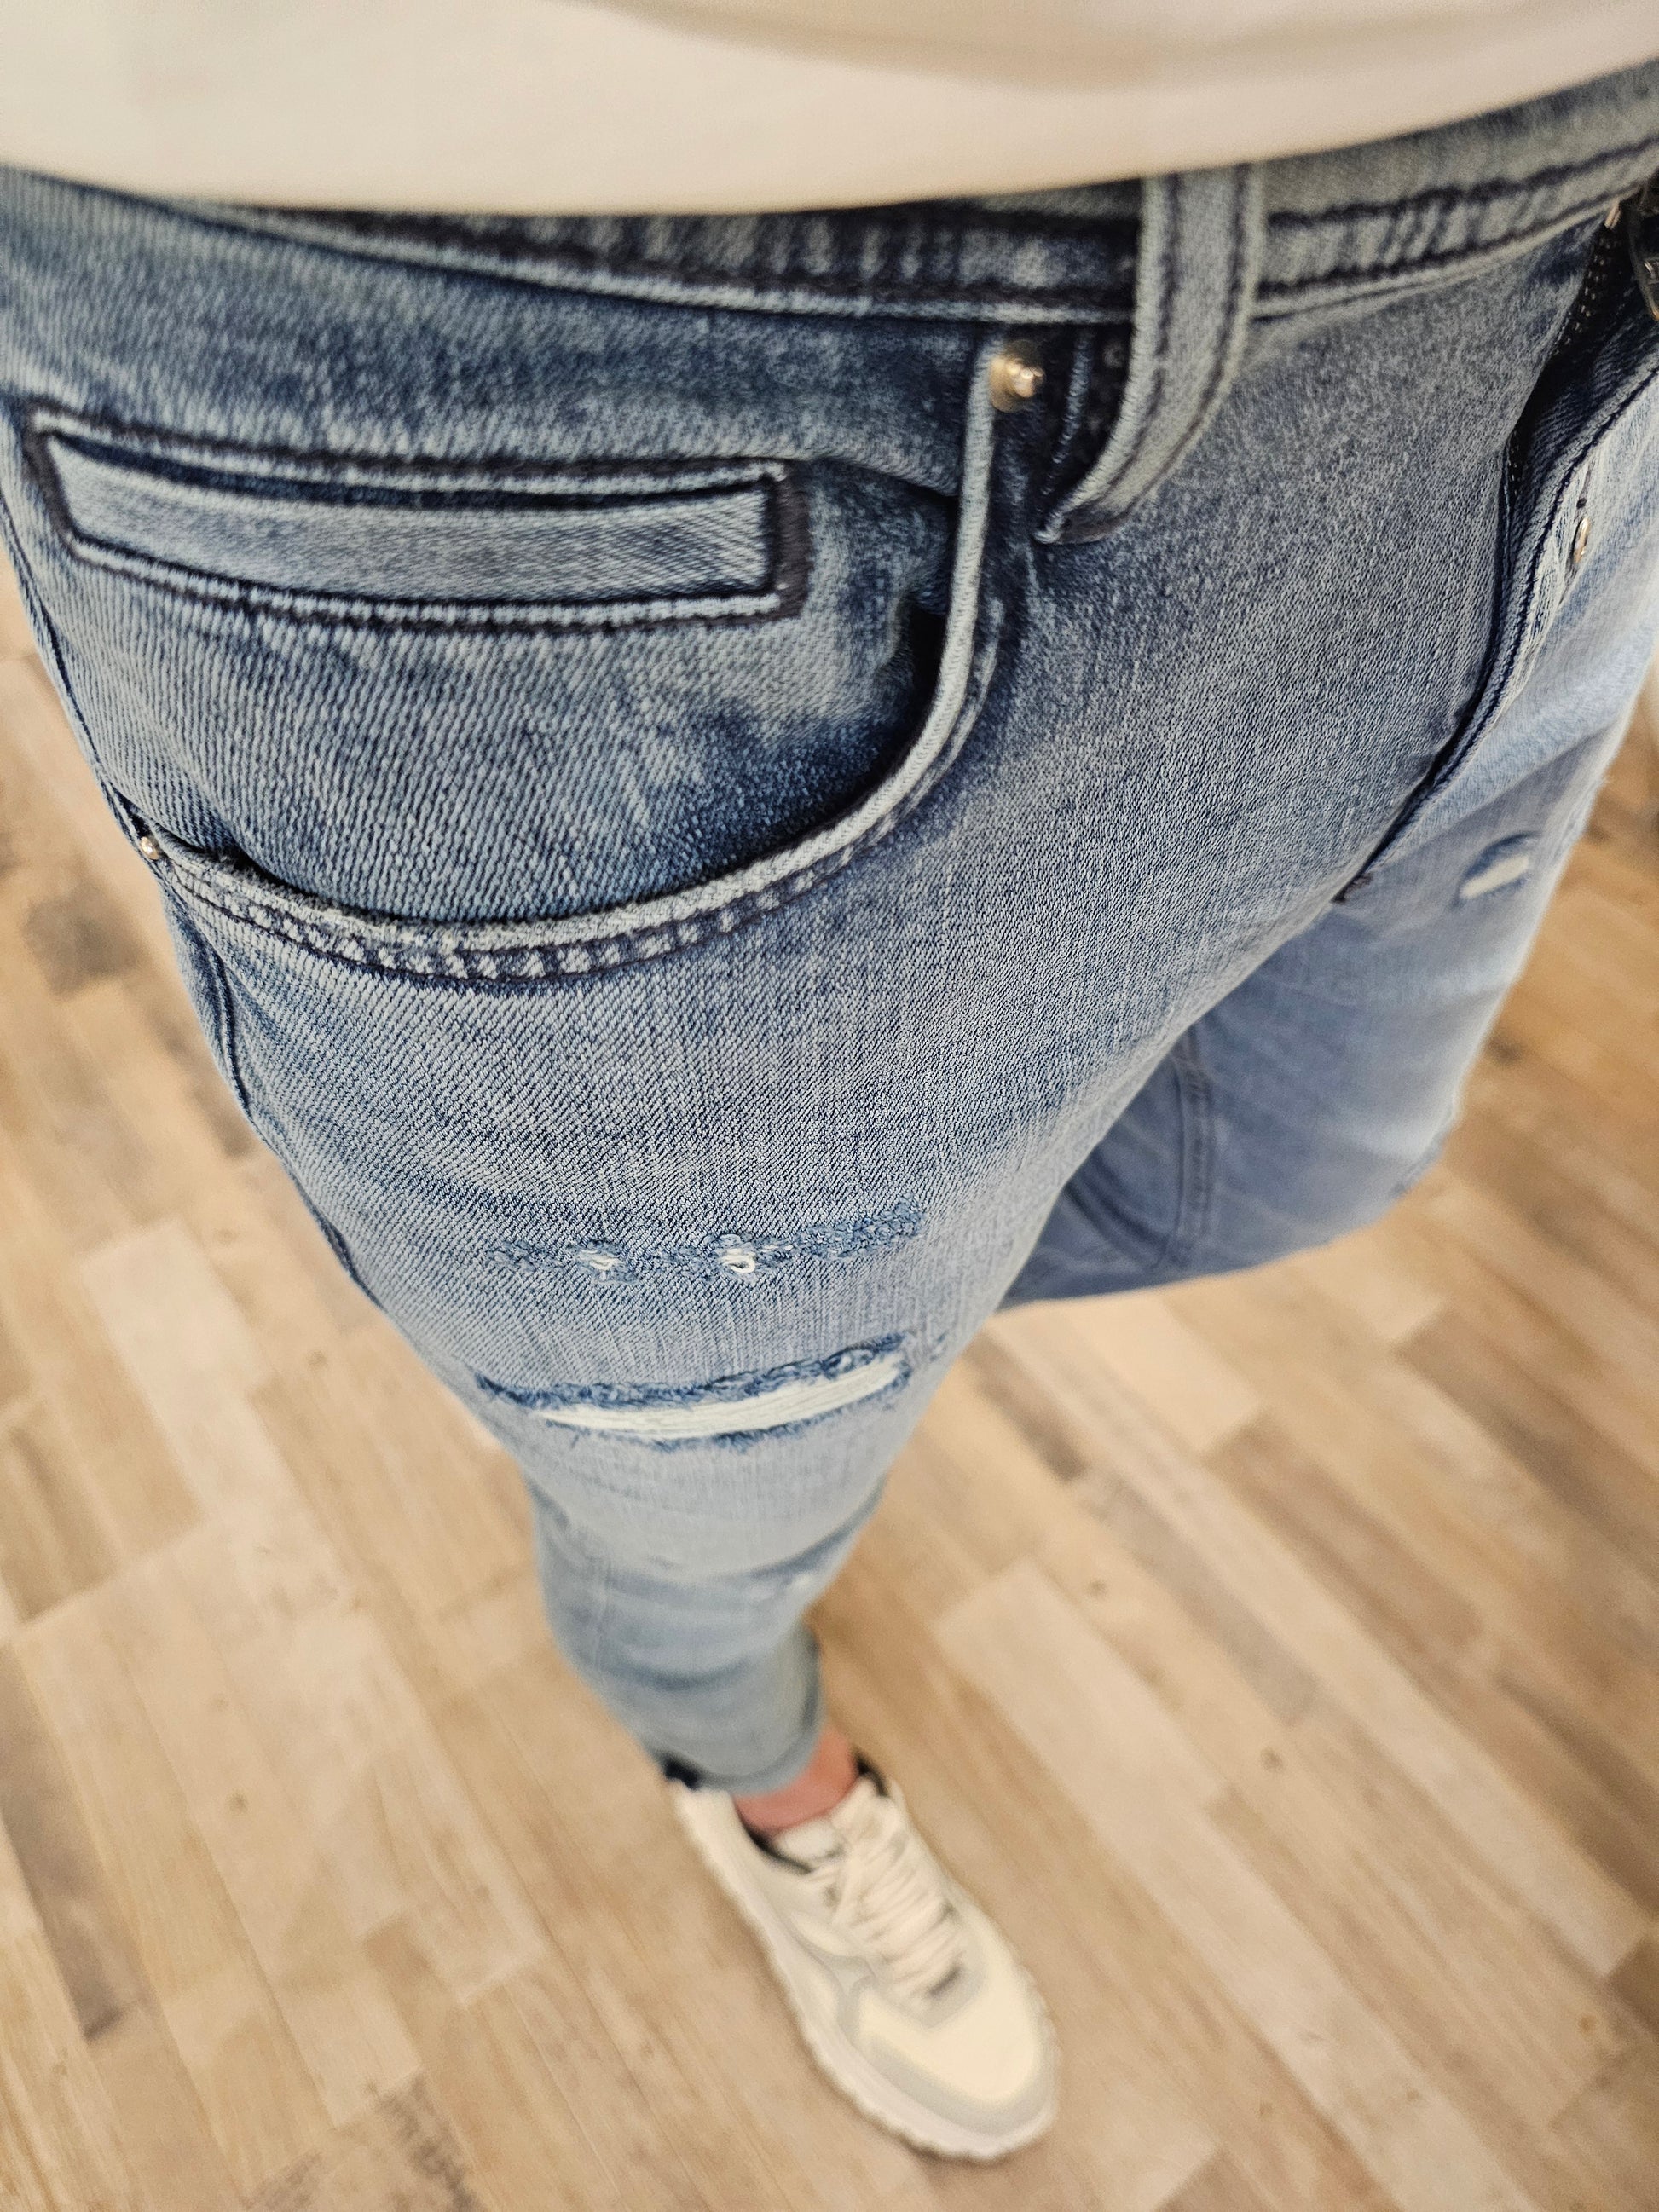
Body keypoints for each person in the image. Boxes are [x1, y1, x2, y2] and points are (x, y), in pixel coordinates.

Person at [1, 7, 1656, 2162]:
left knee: (1291, 1162)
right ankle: (754, 1760)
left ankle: (794, 1317)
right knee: (706, 1485)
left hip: (1560, 256)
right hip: (560, 294)